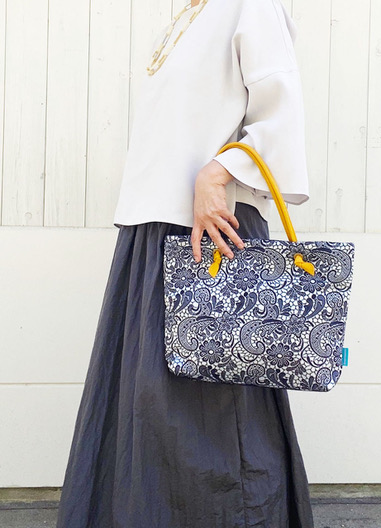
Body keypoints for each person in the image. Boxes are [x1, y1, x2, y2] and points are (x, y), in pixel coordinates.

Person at [56, 0, 314, 526]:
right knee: (148, 415)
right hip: (153, 236)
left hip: (210, 234)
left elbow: (281, 111)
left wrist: (217, 173)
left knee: (215, 418)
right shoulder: (189, 15)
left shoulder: (250, 6)